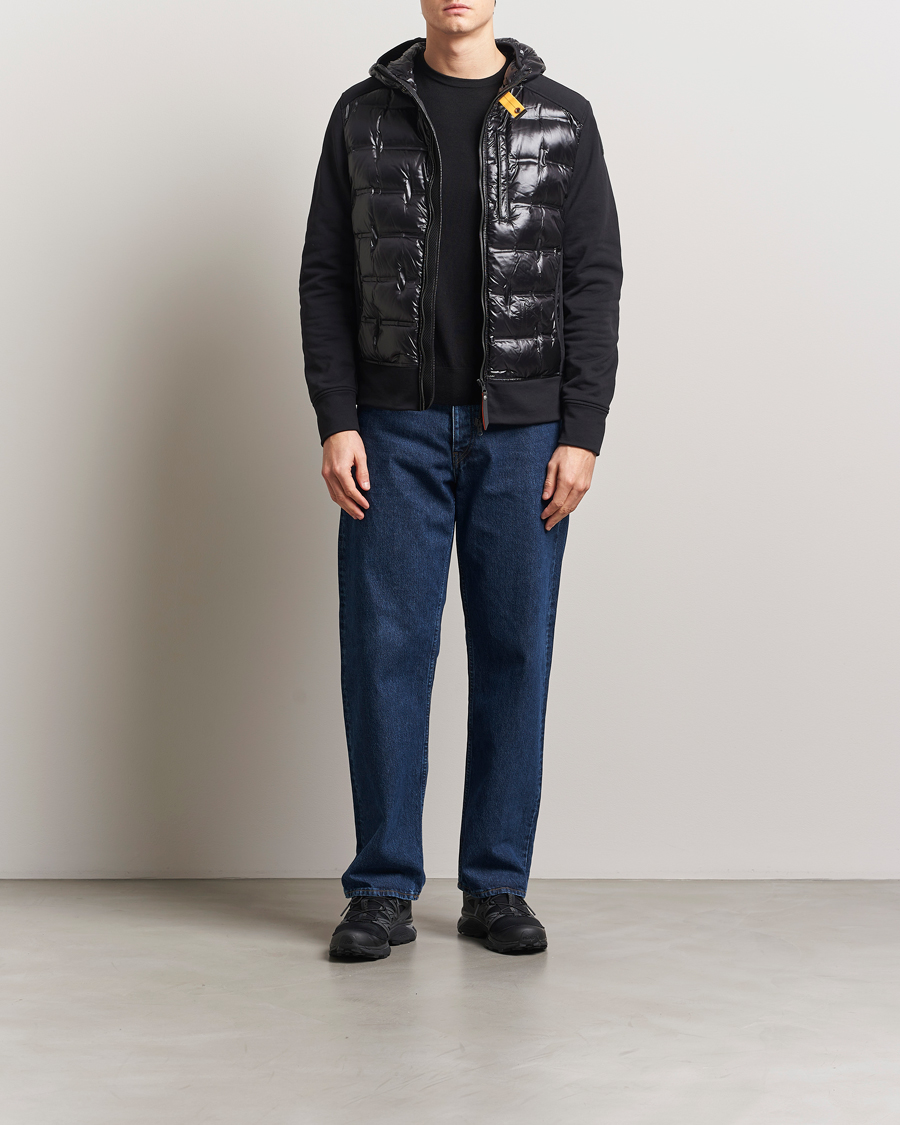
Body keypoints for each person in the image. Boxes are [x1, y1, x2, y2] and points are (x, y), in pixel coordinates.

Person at [299, 0, 622, 959]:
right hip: (391, 429)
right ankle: (381, 889)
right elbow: (325, 274)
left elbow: (591, 278)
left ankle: (496, 884)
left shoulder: (561, 116)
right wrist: (338, 419)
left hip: (522, 435)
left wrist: (582, 431)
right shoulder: (362, 113)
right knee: (384, 655)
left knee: (515, 651)